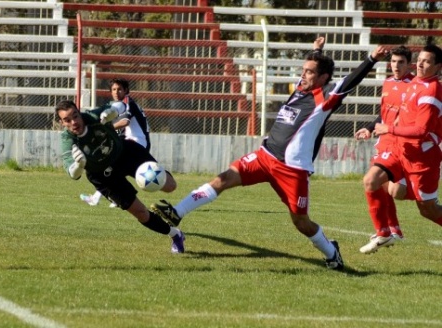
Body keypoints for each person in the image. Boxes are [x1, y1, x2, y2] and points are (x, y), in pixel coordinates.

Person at [151, 37, 388, 270]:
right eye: (303, 70)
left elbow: (349, 81)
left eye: (309, 72)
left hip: (292, 171)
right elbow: (311, 70)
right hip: (265, 157)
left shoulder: (325, 98)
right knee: (222, 179)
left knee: (301, 223)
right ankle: (177, 212)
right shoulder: (299, 89)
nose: (303, 75)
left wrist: (371, 59)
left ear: (323, 79)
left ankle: (331, 252)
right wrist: (316, 50)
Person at [56, 100, 186, 253]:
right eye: (67, 120)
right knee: (140, 213)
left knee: (170, 186)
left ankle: (166, 209)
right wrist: (79, 165)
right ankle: (176, 235)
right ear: (61, 123)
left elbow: (122, 105)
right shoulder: (68, 140)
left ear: (79, 113)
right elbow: (72, 174)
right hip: (103, 176)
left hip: (125, 153)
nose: (74, 122)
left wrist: (113, 111)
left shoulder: (92, 116)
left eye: (75, 116)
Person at [365, 44, 442, 252]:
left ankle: (392, 230)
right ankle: (384, 233)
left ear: (438, 67)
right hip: (400, 149)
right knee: (371, 180)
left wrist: (388, 128)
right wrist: (375, 128)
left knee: (427, 209)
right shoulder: (416, 81)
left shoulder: (432, 92)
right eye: (421, 59)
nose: (421, 64)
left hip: (422, 158)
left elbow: (421, 130)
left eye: (427, 61)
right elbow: (399, 112)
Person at [354, 46, 414, 253]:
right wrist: (369, 128)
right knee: (380, 184)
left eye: (401, 62)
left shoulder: (414, 86)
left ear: (409, 64)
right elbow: (383, 115)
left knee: (392, 189)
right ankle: (391, 230)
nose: (396, 66)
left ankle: (386, 232)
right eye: (393, 62)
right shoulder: (388, 82)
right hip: (384, 142)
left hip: (400, 144)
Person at [80, 78, 151, 208]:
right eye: (113, 89)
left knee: (109, 165)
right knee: (112, 168)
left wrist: (104, 129)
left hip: (136, 143)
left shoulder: (127, 102)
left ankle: (111, 198)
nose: (116, 92)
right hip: (135, 142)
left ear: (126, 91)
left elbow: (125, 122)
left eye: (119, 89)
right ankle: (102, 198)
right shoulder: (119, 104)